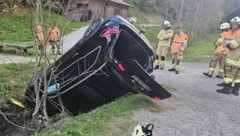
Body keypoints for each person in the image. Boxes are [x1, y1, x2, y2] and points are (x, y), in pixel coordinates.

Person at [217, 16, 240, 96]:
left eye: (235, 24)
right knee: (238, 76)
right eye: (232, 24)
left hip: (234, 58)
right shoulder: (234, 32)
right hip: (237, 59)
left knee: (229, 74)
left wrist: (227, 44)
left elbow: (233, 45)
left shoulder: (239, 33)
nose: (233, 25)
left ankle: (227, 89)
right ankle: (236, 90)